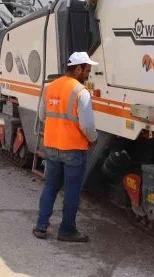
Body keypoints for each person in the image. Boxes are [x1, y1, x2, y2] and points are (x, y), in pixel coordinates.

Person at [33, 51, 99, 243]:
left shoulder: (49, 88)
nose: (88, 74)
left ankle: (41, 226)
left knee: (50, 187)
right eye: (87, 70)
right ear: (77, 69)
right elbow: (87, 126)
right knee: (72, 191)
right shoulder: (81, 92)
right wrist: (94, 138)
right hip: (73, 149)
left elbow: (42, 115)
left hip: (52, 147)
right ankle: (67, 230)